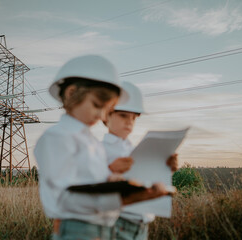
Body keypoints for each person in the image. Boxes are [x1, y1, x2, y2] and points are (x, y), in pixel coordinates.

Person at [34, 55, 169, 240]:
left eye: (106, 108)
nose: (101, 115)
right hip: (78, 230)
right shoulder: (57, 137)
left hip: (104, 229)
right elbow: (63, 199)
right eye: (97, 105)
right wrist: (126, 198)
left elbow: (90, 185)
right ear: (71, 93)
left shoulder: (92, 143)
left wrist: (112, 181)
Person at [102, 81, 178, 240]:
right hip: (117, 222)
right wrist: (109, 169)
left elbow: (146, 178)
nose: (129, 121)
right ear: (106, 115)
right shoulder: (98, 149)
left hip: (142, 225)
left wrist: (165, 167)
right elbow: (87, 182)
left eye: (134, 117)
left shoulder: (136, 150)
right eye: (123, 115)